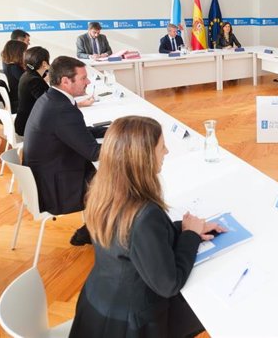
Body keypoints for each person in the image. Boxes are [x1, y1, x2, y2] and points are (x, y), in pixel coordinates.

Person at [69, 116, 225, 338]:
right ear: (143, 158)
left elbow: (135, 240)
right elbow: (169, 284)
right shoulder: (143, 213)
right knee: (210, 308)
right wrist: (190, 235)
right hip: (133, 324)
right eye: (162, 147)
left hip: (97, 306)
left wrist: (188, 228)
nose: (167, 152)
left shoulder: (103, 193)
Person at [23, 56, 102, 246]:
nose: (88, 81)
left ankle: (93, 227)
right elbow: (93, 152)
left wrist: (112, 130)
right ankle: (97, 231)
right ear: (66, 81)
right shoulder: (61, 109)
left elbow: (75, 133)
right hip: (56, 188)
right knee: (118, 182)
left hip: (47, 174)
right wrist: (129, 143)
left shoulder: (52, 98)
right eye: (83, 78)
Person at [15, 47, 94, 136]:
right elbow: (52, 103)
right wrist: (81, 104)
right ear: (44, 63)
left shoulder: (27, 75)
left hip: (25, 122)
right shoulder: (34, 80)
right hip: (28, 127)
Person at [0, 39, 28, 113]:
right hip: (20, 100)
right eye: (25, 51)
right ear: (18, 52)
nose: (26, 54)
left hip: (15, 96)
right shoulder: (14, 68)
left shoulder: (7, 64)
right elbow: (30, 82)